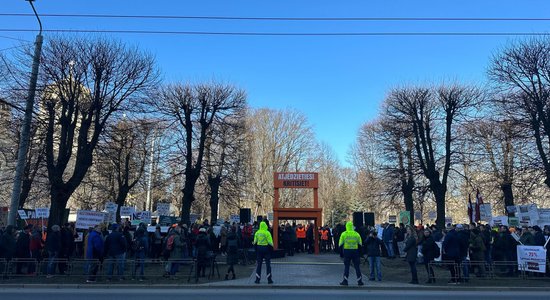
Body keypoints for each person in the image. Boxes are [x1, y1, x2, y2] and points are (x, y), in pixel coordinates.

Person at [338, 221, 364, 286]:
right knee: (357, 267)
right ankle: (359, 281)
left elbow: (340, 245)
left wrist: (341, 254)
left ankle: (345, 280)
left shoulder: (344, 234)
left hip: (347, 251)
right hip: (355, 251)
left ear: (346, 227)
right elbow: (360, 244)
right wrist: (360, 254)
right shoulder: (356, 234)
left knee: (347, 266)